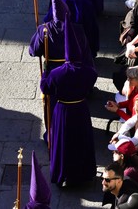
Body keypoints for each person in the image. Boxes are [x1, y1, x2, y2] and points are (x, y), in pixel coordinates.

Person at [40, 16, 98, 186]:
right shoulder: (88, 72)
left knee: (63, 142)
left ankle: (64, 174)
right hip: (80, 109)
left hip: (63, 110)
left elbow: (45, 88)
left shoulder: (57, 73)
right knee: (81, 141)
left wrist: (45, 73)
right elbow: (90, 83)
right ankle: (83, 174)